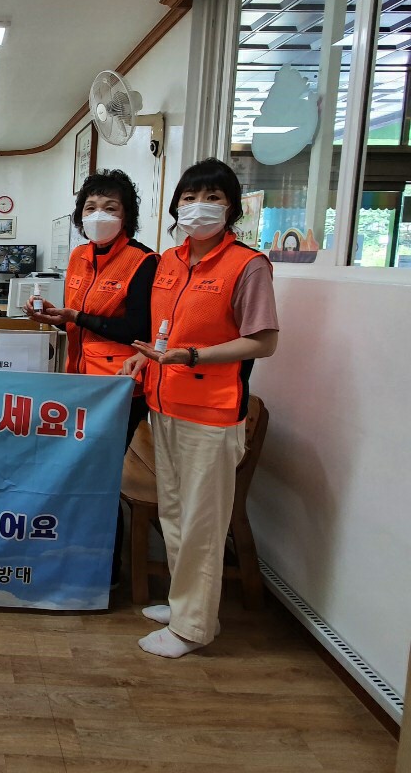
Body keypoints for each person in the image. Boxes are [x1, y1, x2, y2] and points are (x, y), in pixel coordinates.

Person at [123, 157, 279, 658]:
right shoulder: (169, 262)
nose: (199, 207)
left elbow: (263, 342)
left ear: (231, 207)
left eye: (212, 197)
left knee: (202, 522)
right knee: (173, 510)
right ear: (176, 207)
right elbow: (164, 331)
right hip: (164, 404)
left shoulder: (247, 265)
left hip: (211, 413)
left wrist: (193, 356)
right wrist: (144, 357)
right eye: (189, 198)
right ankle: (183, 603)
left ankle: (193, 628)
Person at [25, 169, 158, 586]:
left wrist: (77, 316)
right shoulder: (79, 256)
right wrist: (56, 317)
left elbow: (138, 330)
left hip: (120, 388)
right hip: (80, 382)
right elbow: (78, 320)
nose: (99, 215)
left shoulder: (144, 261)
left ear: (127, 215)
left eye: (110, 208)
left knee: (100, 475)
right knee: (80, 470)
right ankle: (77, 554)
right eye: (91, 207)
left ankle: (105, 572)